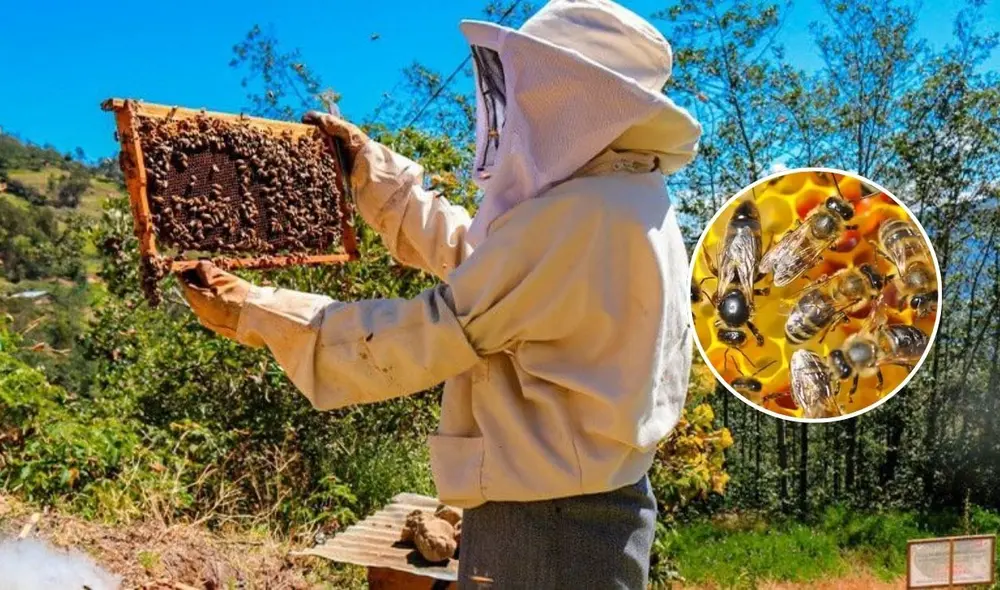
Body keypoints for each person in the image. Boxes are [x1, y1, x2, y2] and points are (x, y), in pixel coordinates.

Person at [178, 0, 702, 587]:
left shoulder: (585, 218)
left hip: (549, 523)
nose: (517, 106)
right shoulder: (623, 200)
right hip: (574, 507)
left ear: (573, 100)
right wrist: (375, 175)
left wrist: (255, 312)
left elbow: (433, 331)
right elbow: (489, 268)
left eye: (531, 89)